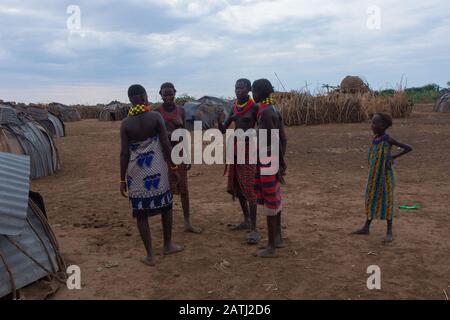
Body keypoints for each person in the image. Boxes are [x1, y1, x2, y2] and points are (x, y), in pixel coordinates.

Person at [120, 84, 184, 266]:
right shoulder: (155, 117)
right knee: (166, 207)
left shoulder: (126, 123)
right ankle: (167, 245)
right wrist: (173, 168)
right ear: (145, 96)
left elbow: (124, 153)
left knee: (140, 214)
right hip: (157, 169)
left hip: (136, 174)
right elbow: (165, 144)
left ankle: (150, 255)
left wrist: (121, 179)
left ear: (130, 100)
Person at [353, 113, 412, 243]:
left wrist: (392, 157)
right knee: (370, 199)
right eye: (372, 123)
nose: (372, 126)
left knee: (386, 201)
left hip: (384, 178)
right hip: (374, 176)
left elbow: (408, 148)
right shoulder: (376, 138)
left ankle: (389, 232)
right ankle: (366, 227)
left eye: (375, 123)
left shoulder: (387, 139)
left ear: (384, 126)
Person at [155, 82, 202, 234]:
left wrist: (187, 155)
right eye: (165, 94)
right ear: (160, 94)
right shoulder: (156, 113)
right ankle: (167, 224)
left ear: (175, 93)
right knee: (166, 189)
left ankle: (187, 223)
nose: (168, 96)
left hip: (180, 153)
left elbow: (184, 134)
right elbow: (155, 135)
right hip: (163, 154)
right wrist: (168, 136)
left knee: (184, 189)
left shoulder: (181, 111)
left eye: (170, 93)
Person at [218, 79, 261, 244]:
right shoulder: (234, 107)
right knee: (239, 187)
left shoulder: (255, 107)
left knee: (249, 188)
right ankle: (246, 221)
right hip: (236, 149)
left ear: (249, 89)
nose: (238, 90)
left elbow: (261, 127)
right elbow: (223, 129)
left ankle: (254, 230)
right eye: (236, 87)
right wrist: (220, 121)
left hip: (249, 150)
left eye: (241, 88)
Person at [251, 79, 287, 258]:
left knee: (269, 203)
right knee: (275, 199)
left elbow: (272, 141)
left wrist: (277, 164)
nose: (252, 94)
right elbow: (283, 139)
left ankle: (271, 246)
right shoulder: (273, 109)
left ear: (259, 92)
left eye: (253, 91)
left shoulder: (265, 112)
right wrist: (281, 162)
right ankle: (278, 238)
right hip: (271, 160)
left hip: (267, 161)